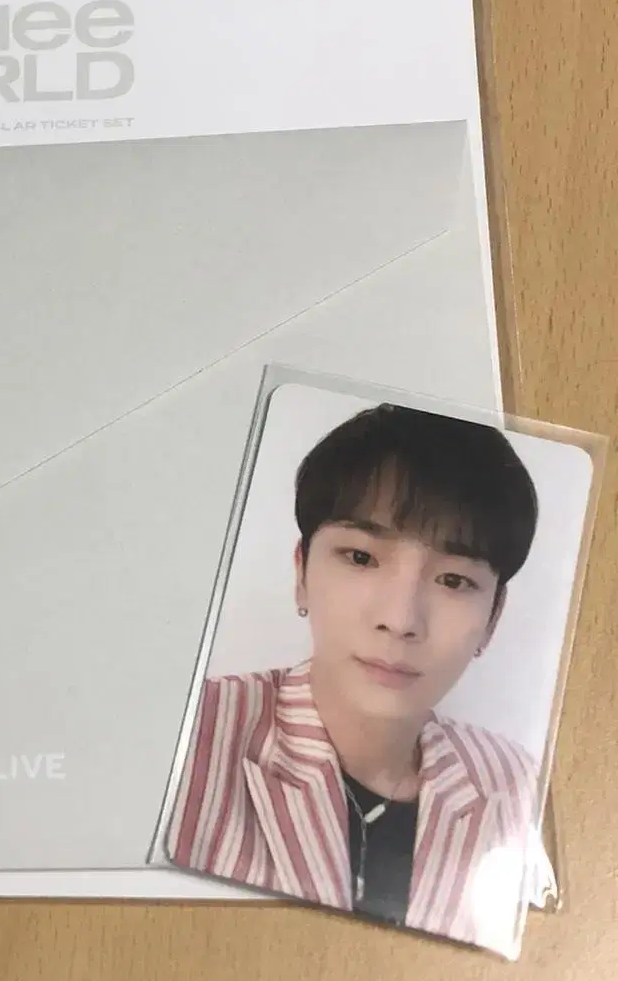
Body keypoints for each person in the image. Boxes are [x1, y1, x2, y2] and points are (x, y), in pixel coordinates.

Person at [166, 401, 545, 951]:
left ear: (493, 617)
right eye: (362, 558)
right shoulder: (185, 738)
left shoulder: (515, 787)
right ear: (301, 572)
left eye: (454, 580)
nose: (401, 619)